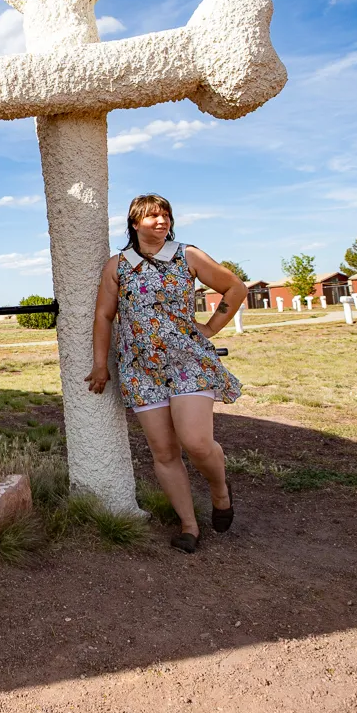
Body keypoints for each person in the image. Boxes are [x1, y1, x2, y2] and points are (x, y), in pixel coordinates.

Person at [85, 194, 246, 553]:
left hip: (188, 363)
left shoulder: (187, 255)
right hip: (141, 371)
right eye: (152, 216)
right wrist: (100, 364)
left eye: (166, 215)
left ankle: (220, 489)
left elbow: (235, 288)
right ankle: (189, 524)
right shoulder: (117, 266)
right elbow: (104, 316)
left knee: (196, 443)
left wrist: (212, 327)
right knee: (164, 451)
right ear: (134, 223)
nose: (161, 221)